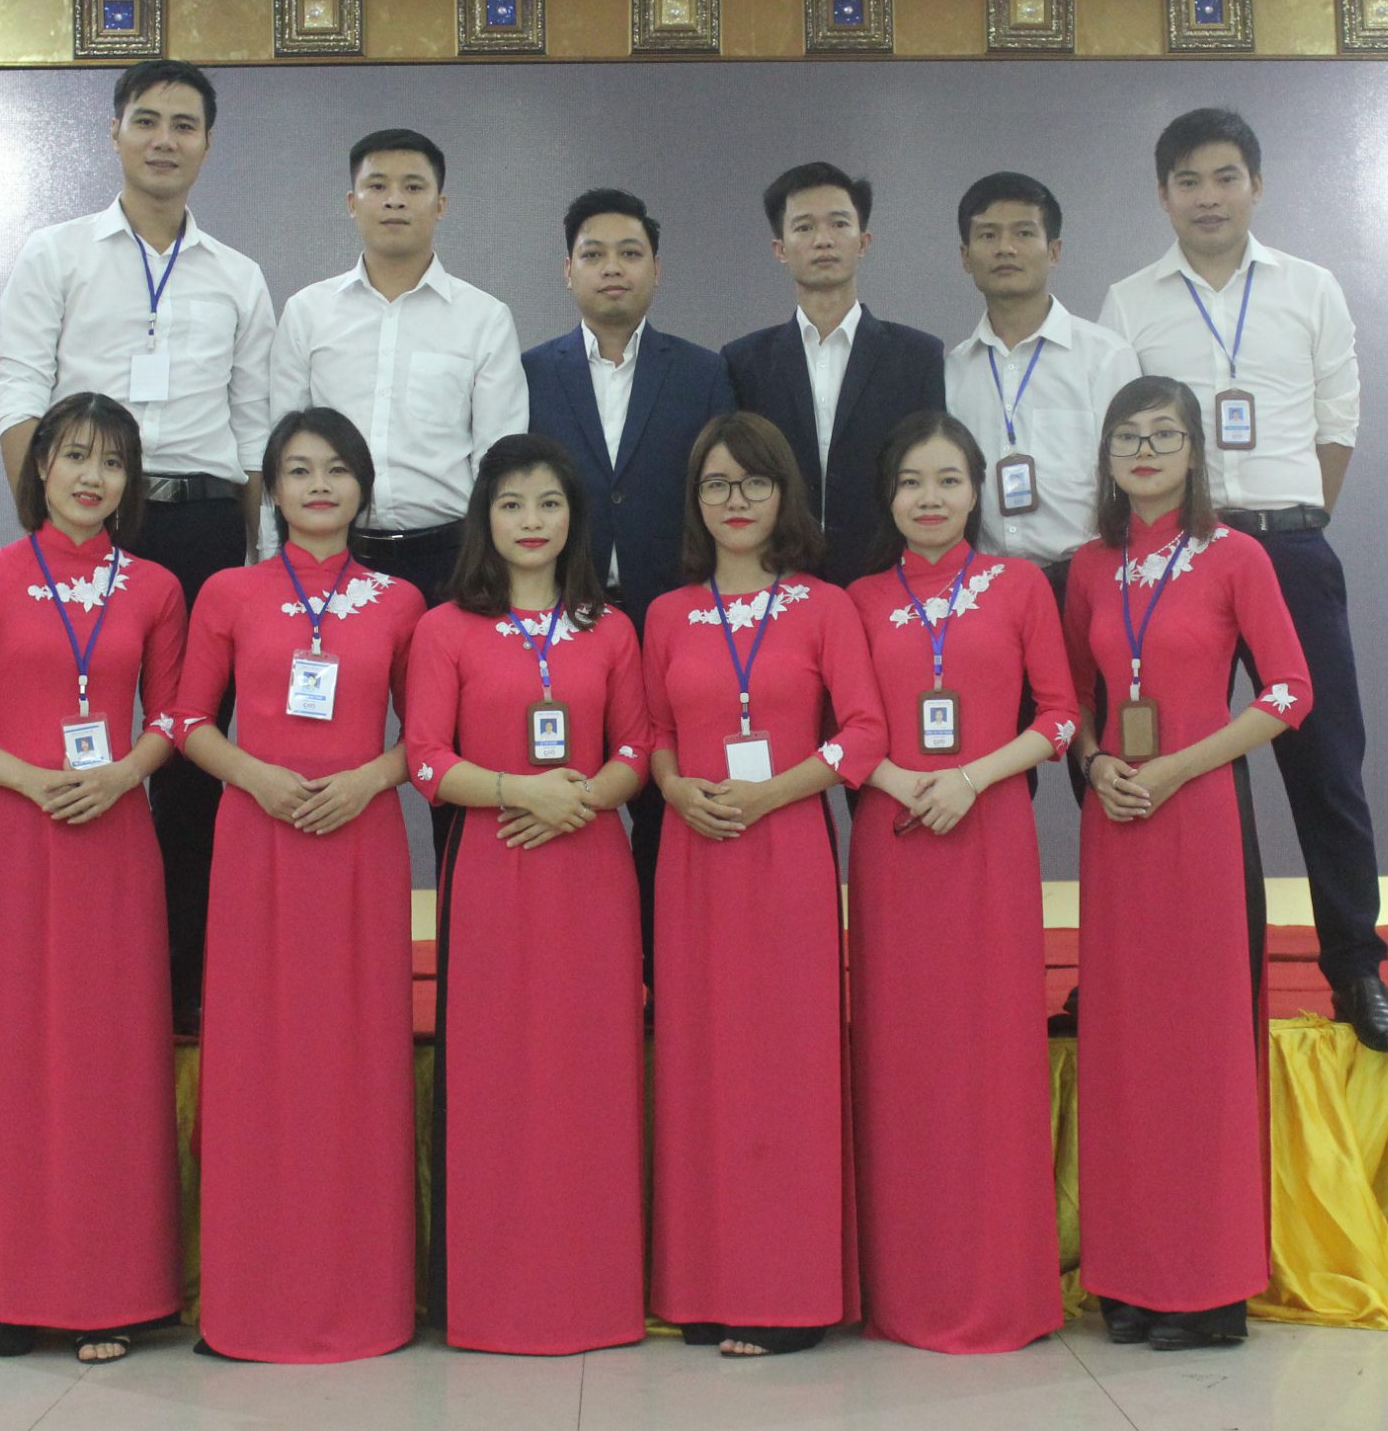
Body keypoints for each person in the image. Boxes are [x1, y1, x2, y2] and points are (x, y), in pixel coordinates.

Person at [1097, 107, 1388, 1053]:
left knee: (1327, 764)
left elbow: (1337, 421)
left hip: (1288, 544)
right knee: (1167, 758)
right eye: (1188, 181)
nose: (1209, 197)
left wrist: (1292, 522)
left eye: (1225, 177)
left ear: (1256, 186)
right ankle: (1171, 966)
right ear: (1162, 196)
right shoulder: (1129, 302)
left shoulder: (1310, 287)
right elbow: (1121, 429)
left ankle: (1356, 967)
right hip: (1175, 559)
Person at [0, 60, 274, 1034]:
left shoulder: (238, 275)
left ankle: (186, 982)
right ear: (113, 132)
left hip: (202, 525)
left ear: (207, 143)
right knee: (93, 740)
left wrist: (250, 564)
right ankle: (87, 973)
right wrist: (49, 542)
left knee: (192, 753)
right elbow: (21, 399)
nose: (164, 139)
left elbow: (254, 432)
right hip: (94, 522)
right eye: (146, 120)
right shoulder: (57, 253)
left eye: (184, 124)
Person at [0, 392, 186, 1366]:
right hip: (22, 846)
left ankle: (112, 1294)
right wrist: (29, 780)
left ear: (130, 481)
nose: (90, 476)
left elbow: (173, 718)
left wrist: (120, 775)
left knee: (114, 1064)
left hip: (117, 843)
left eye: (111, 462)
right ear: (39, 467)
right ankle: (16, 1292)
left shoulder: (155, 587)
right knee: (20, 1061)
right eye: (73, 455)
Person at [167, 407, 424, 1363]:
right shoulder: (229, 592)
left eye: (338, 469)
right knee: (258, 1058)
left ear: (363, 487)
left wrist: (369, 779)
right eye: (300, 470)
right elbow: (187, 720)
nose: (320, 486)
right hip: (258, 839)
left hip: (359, 844)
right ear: (271, 489)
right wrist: (255, 776)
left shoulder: (401, 601)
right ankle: (251, 1297)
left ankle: (364, 1297)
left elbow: (429, 737)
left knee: (356, 1058)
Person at [1063, 377, 1312, 1351]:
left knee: (1199, 1049)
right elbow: (1071, 700)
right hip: (1115, 821)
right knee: (1124, 1047)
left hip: (1198, 814)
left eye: (1164, 434)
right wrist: (1095, 764)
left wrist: (1175, 767)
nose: (1144, 449)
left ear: (1195, 450)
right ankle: (1129, 1276)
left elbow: (1289, 692)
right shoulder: (1090, 566)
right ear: (1106, 454)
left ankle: (1206, 1286)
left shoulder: (1236, 554)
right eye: (1127, 434)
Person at [401, 434, 652, 1355]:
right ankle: (494, 1294)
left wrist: (580, 800)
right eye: (512, 504)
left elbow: (638, 748)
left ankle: (595, 1291)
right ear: (486, 518)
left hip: (590, 869)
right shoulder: (444, 628)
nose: (532, 520)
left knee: (589, 1075)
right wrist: (522, 793)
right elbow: (426, 758)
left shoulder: (610, 627)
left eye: (549, 502)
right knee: (497, 1077)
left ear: (574, 517)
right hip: (493, 865)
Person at [642, 411, 884, 1357]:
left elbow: (863, 731)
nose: (735, 500)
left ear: (785, 494)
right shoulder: (667, 613)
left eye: (753, 483)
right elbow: (655, 733)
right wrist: (674, 790)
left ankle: (788, 1291)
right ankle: (706, 1284)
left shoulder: (825, 606)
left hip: (786, 852)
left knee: (785, 1067)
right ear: (694, 500)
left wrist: (772, 792)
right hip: (694, 853)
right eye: (717, 484)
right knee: (701, 1065)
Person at [845, 410, 1076, 1353]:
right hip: (892, 837)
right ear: (888, 496)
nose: (929, 498)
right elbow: (837, 728)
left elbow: (1060, 717)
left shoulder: (1020, 586)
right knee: (904, 1057)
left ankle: (999, 1284)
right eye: (910, 481)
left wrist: (971, 779)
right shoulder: (857, 598)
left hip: (991, 834)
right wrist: (902, 782)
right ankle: (907, 1287)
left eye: (947, 479)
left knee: (991, 1052)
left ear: (977, 489)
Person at [523, 186, 737, 993]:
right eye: (594, 254)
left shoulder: (705, 371)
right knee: (566, 782)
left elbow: (722, 487)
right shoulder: (528, 371)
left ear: (656, 267)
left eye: (629, 253)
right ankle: (582, 972)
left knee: (662, 792)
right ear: (567, 269)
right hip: (561, 615)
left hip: (670, 609)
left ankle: (661, 974)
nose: (612, 268)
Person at [270, 127, 528, 604]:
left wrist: (495, 567)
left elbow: (498, 458)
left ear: (440, 205)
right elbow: (281, 448)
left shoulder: (484, 318)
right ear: (352, 203)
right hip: (332, 553)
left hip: (448, 559)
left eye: (413, 186)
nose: (394, 200)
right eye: (377, 186)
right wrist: (272, 554)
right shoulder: (308, 312)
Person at [723, 162, 945, 584]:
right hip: (777, 575)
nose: (823, 240)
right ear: (780, 248)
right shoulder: (744, 362)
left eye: (839, 224)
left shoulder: (918, 356)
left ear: (863, 241)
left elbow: (931, 469)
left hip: (889, 576)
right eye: (804, 227)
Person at [942, 172, 1139, 604]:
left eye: (1024, 233)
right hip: (986, 588)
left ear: (1054, 251)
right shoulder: (951, 372)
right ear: (965, 256)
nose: (1005, 248)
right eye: (988, 235)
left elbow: (1136, 478)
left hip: (1088, 582)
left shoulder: (1105, 357)